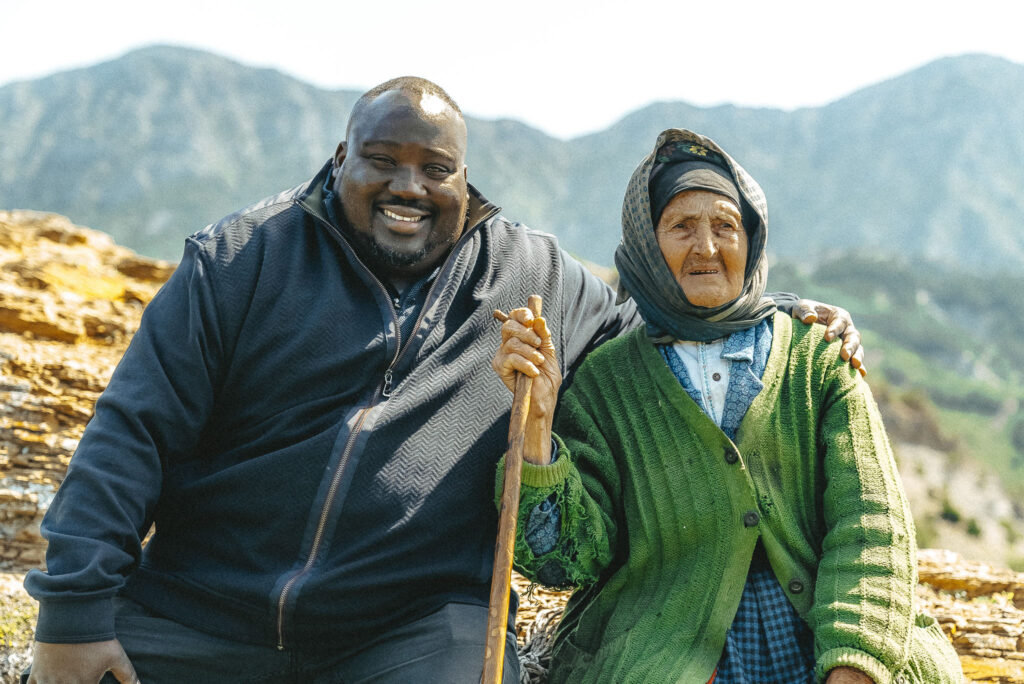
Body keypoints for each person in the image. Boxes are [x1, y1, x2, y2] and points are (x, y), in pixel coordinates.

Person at [23, 79, 863, 684]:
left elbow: (652, 331)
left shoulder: (529, 275)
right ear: (338, 159)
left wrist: (769, 313)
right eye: (382, 161)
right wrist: (70, 618)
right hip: (198, 614)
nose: (408, 187)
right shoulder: (242, 259)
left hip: (410, 633)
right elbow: (131, 431)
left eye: (436, 169)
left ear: (466, 179)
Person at [492, 128, 962, 683]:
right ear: (647, 243)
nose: (706, 248)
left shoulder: (818, 359)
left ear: (752, 240)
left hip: (821, 634)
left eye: (725, 226)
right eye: (681, 227)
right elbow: (562, 563)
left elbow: (871, 522)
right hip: (660, 648)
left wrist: (855, 663)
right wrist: (538, 422)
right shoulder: (605, 384)